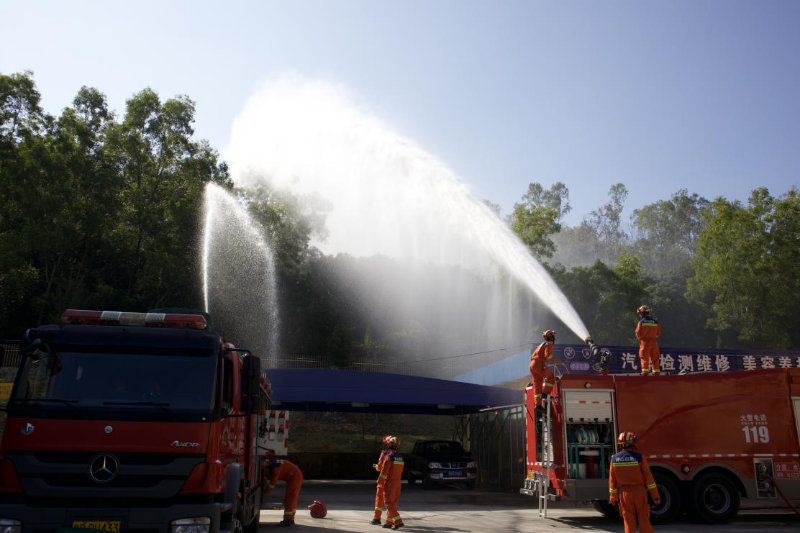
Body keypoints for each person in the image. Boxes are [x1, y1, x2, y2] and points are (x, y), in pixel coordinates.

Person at [609, 431, 660, 533]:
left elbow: (612, 480)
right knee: (643, 519)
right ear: (633, 443)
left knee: (628, 520)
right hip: (639, 492)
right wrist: (655, 496)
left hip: (624, 494)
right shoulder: (639, 457)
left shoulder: (614, 459)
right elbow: (649, 479)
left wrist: (613, 496)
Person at [528, 329, 566, 413]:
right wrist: (557, 361)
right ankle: (545, 394)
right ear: (552, 337)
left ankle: (537, 405)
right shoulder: (549, 344)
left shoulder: (542, 344)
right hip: (539, 365)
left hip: (532, 365)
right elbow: (548, 355)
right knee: (551, 377)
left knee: (537, 384)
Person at [264, 458, 304, 527]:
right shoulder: (275, 464)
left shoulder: (276, 469)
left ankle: (288, 520)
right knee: (292, 498)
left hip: (295, 477)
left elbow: (272, 484)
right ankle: (290, 519)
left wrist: (265, 492)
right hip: (295, 476)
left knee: (290, 498)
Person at [379, 436, 404, 530]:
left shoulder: (388, 457)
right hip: (398, 482)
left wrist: (379, 481)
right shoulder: (401, 457)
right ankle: (389, 522)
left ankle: (398, 521)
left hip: (390, 483)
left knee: (389, 502)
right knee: (393, 502)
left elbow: (384, 472)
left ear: (389, 445)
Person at [371, 435, 392, 525]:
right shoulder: (397, 455)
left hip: (383, 481)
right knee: (390, 501)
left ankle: (376, 518)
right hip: (392, 482)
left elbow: (380, 468)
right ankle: (389, 520)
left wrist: (376, 466)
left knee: (379, 499)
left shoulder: (384, 453)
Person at [635, 306, 661, 376]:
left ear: (642, 313)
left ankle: (645, 372)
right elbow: (658, 333)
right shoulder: (655, 322)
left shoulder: (641, 322)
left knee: (644, 357)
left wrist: (641, 339)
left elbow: (637, 332)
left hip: (644, 342)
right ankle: (656, 371)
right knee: (655, 357)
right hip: (654, 342)